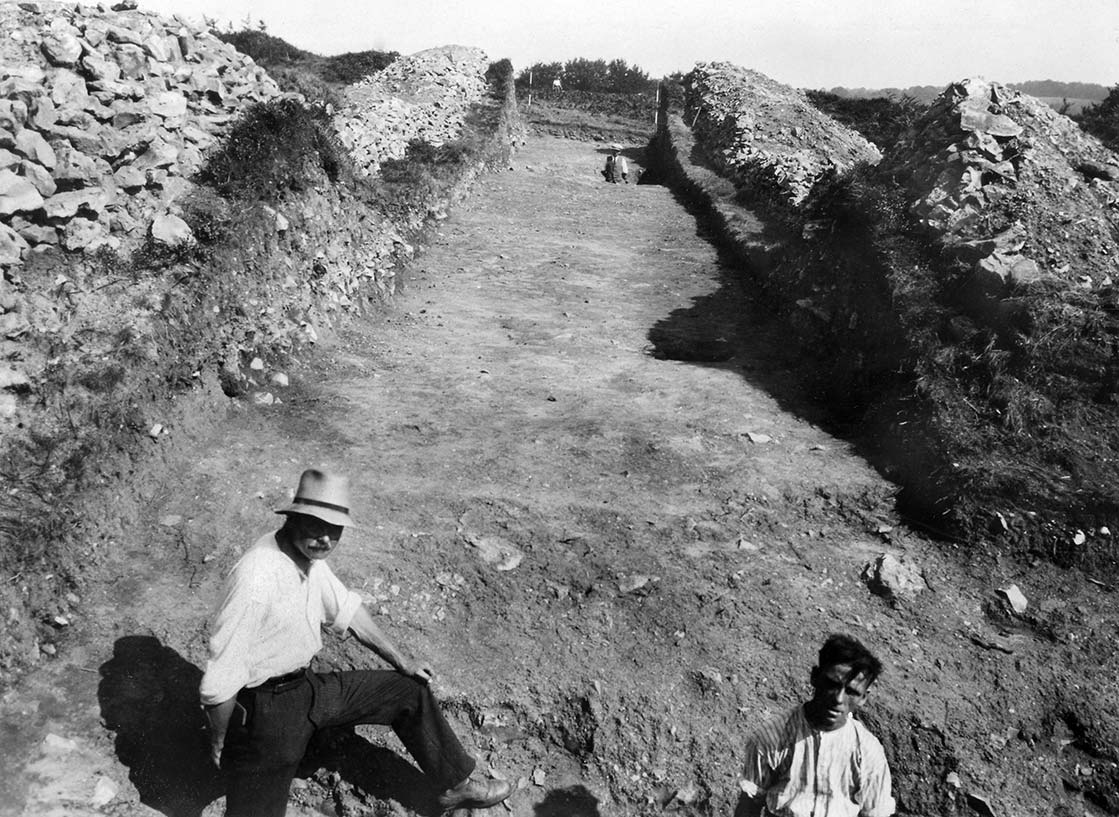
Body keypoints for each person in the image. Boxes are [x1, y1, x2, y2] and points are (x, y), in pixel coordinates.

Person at [199, 469, 514, 816]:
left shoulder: (308, 557)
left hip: (306, 689)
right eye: (316, 526)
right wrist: (221, 741)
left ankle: (456, 787)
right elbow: (220, 677)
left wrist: (401, 660)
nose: (325, 539)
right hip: (265, 710)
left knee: (406, 691)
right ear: (293, 519)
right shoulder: (256, 578)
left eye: (334, 531)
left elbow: (348, 611)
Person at [735, 634, 895, 817]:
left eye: (851, 692)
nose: (838, 699)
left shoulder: (867, 751)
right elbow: (748, 807)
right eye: (832, 684)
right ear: (815, 677)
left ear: (863, 698)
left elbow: (875, 812)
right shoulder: (771, 738)